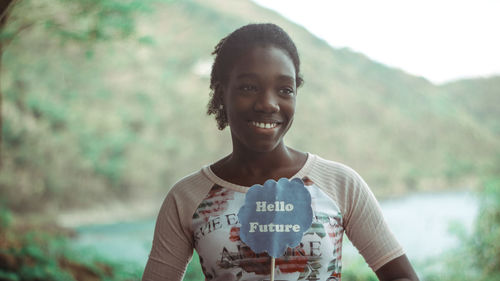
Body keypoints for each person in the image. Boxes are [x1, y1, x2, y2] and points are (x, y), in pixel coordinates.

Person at [142, 23, 419, 281]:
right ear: (221, 92)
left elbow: (402, 277)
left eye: (285, 89)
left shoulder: (340, 184)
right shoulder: (187, 197)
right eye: (249, 87)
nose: (268, 104)